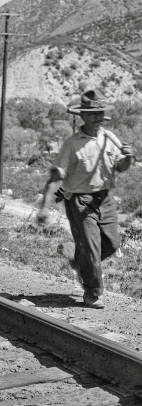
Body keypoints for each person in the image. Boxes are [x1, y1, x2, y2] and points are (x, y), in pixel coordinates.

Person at [38, 89, 133, 309]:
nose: (98, 117)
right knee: (92, 248)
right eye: (93, 113)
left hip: (105, 198)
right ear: (83, 116)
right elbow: (56, 176)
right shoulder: (72, 144)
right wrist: (45, 206)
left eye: (101, 112)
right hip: (79, 201)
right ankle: (93, 291)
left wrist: (128, 157)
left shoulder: (110, 138)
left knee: (111, 244)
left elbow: (121, 166)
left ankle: (78, 259)